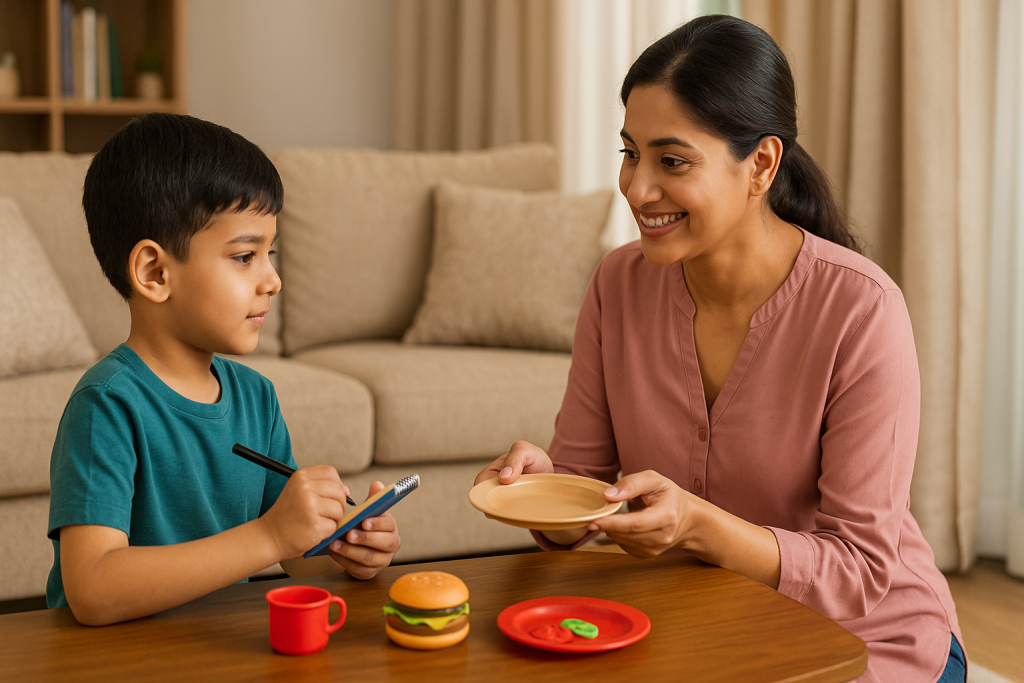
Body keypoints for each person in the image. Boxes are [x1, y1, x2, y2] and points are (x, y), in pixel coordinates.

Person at [476, 15, 964, 683]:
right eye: (630, 153)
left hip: (867, 640)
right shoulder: (618, 283)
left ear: (761, 163)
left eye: (671, 161)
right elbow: (585, 493)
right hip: (706, 628)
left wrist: (694, 523)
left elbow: (859, 570)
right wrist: (542, 488)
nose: (637, 188)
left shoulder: (861, 308)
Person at [47, 113, 401, 626]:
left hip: (217, 649)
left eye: (270, 253)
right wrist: (269, 536)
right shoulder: (107, 404)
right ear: (155, 273)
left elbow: (295, 555)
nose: (273, 280)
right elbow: (93, 589)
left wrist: (346, 549)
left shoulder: (256, 398)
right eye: (244, 256)